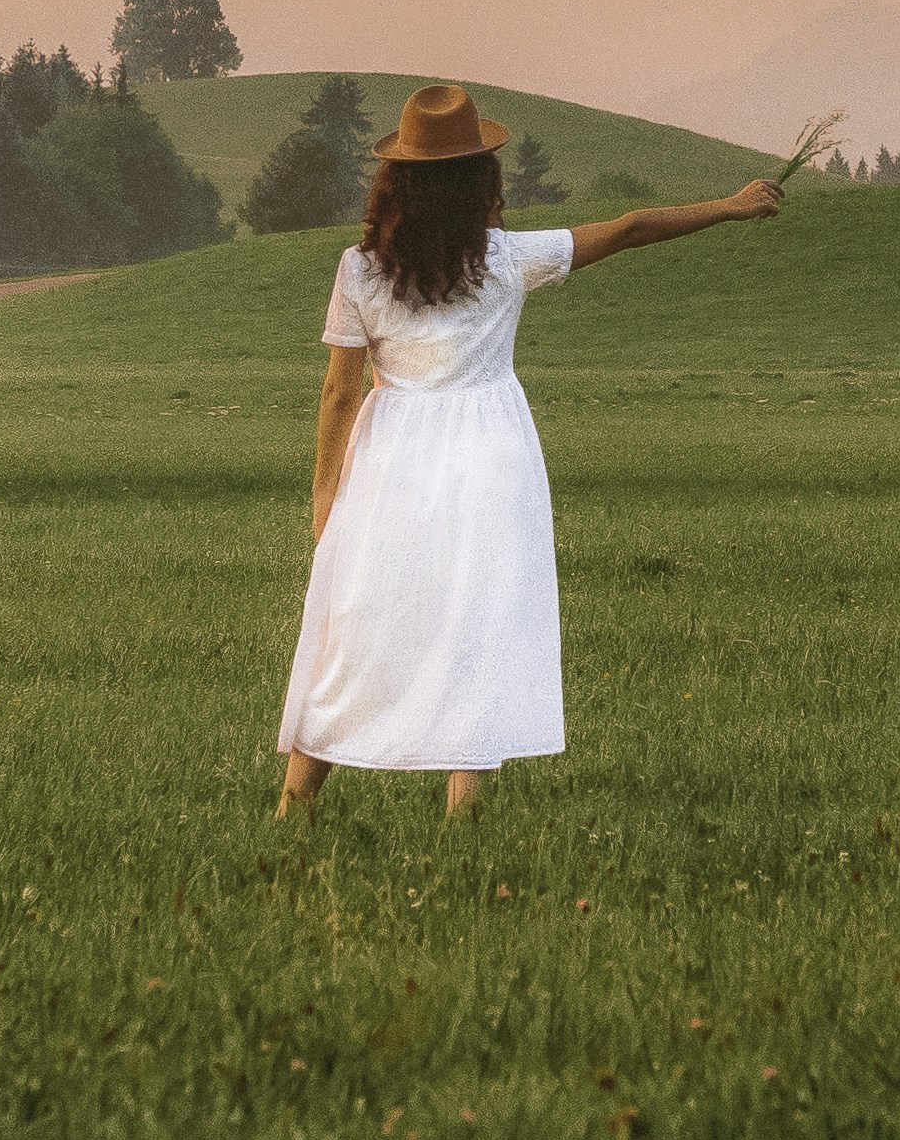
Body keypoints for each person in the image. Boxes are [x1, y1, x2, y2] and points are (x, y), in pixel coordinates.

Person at [275, 82, 783, 818]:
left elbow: (338, 394)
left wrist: (324, 492)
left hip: (390, 462)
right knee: (476, 622)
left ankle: (295, 807)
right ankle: (465, 810)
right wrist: (732, 204)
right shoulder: (509, 258)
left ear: (396, 183)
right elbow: (632, 227)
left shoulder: (360, 270)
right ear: (482, 181)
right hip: (492, 454)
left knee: (358, 622)